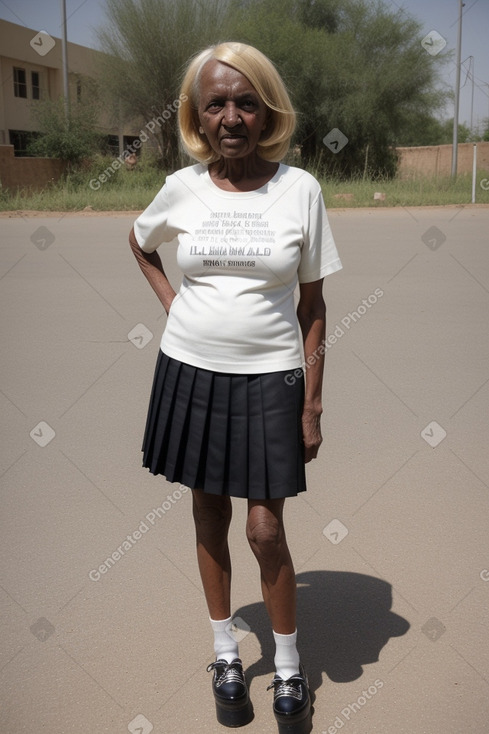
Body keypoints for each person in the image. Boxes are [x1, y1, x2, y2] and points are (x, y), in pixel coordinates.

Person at [129, 42, 342, 733]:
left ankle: (286, 664)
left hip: (271, 380)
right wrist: (172, 304)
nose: (230, 116)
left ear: (266, 111)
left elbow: (312, 308)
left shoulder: (299, 189)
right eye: (216, 102)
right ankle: (225, 652)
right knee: (207, 514)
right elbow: (140, 240)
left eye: (245, 102)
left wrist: (310, 403)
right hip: (190, 374)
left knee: (264, 527)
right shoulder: (182, 187)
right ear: (196, 113)